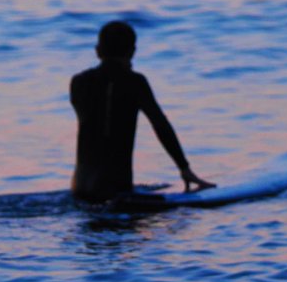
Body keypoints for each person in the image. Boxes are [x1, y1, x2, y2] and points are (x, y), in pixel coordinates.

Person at [70, 20, 215, 202]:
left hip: (80, 189)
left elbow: (96, 120)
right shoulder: (135, 83)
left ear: (97, 51)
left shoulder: (78, 82)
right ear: (132, 52)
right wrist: (184, 168)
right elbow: (160, 124)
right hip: (116, 191)